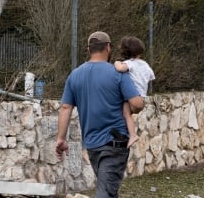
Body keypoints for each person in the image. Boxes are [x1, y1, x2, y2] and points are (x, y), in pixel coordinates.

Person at [56, 31, 144, 198]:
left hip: (92, 145)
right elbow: (137, 104)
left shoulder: (74, 76)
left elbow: (65, 108)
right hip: (114, 143)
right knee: (106, 192)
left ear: (89, 49)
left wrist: (61, 138)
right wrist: (137, 106)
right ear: (108, 48)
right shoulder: (118, 73)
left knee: (107, 189)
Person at [114, 35, 155, 147]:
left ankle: (132, 135)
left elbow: (120, 68)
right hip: (142, 97)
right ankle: (131, 134)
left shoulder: (129, 63)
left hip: (132, 98)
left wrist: (117, 62)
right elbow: (151, 76)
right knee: (128, 115)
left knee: (126, 114)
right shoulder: (145, 64)